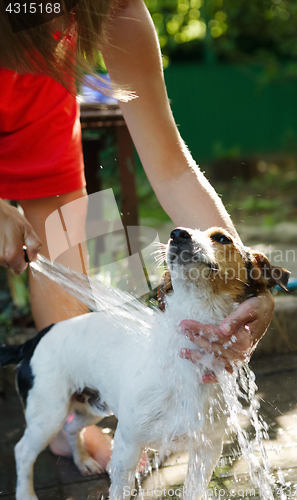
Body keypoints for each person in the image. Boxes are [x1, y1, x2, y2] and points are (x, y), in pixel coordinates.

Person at [0, 0, 274, 469]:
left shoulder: (113, 7)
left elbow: (171, 170)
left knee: (63, 282)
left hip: (40, 128)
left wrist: (250, 283)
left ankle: (70, 425)